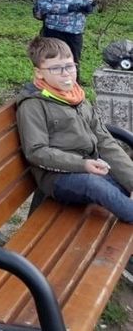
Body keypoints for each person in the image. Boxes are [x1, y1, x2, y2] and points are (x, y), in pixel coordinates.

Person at [16, 36, 133, 221]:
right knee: (96, 186)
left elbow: (104, 140)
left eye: (70, 66)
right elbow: (36, 151)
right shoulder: (33, 105)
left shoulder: (77, 97)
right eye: (56, 68)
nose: (66, 73)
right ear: (39, 73)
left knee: (122, 181)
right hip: (57, 177)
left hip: (90, 167)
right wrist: (82, 165)